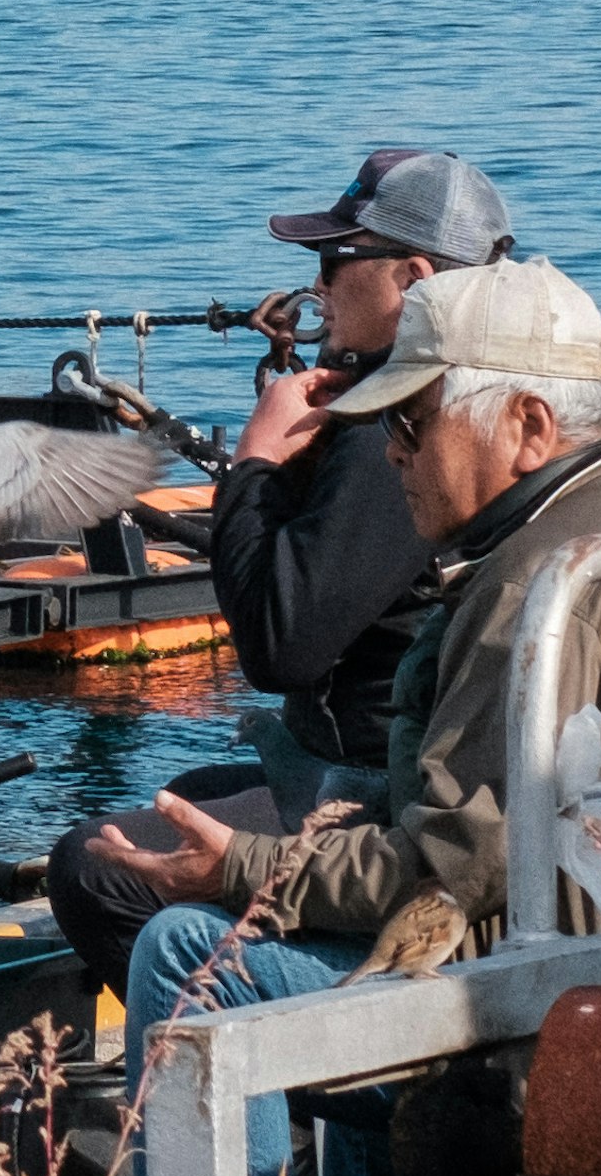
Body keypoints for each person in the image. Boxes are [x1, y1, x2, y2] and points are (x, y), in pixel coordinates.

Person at [99, 256, 601, 1176]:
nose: (392, 453)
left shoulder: (539, 588)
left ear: (528, 428)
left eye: (412, 421)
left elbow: (443, 875)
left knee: (189, 957)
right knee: (342, 934)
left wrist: (242, 868)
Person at [47, 142, 516, 1002]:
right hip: (392, 773)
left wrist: (256, 465)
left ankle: (284, 1076)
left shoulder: (392, 438)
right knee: (186, 795)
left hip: (383, 797)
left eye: (339, 260)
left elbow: (278, 648)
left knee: (94, 866)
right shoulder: (466, 399)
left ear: (412, 279)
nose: (320, 283)